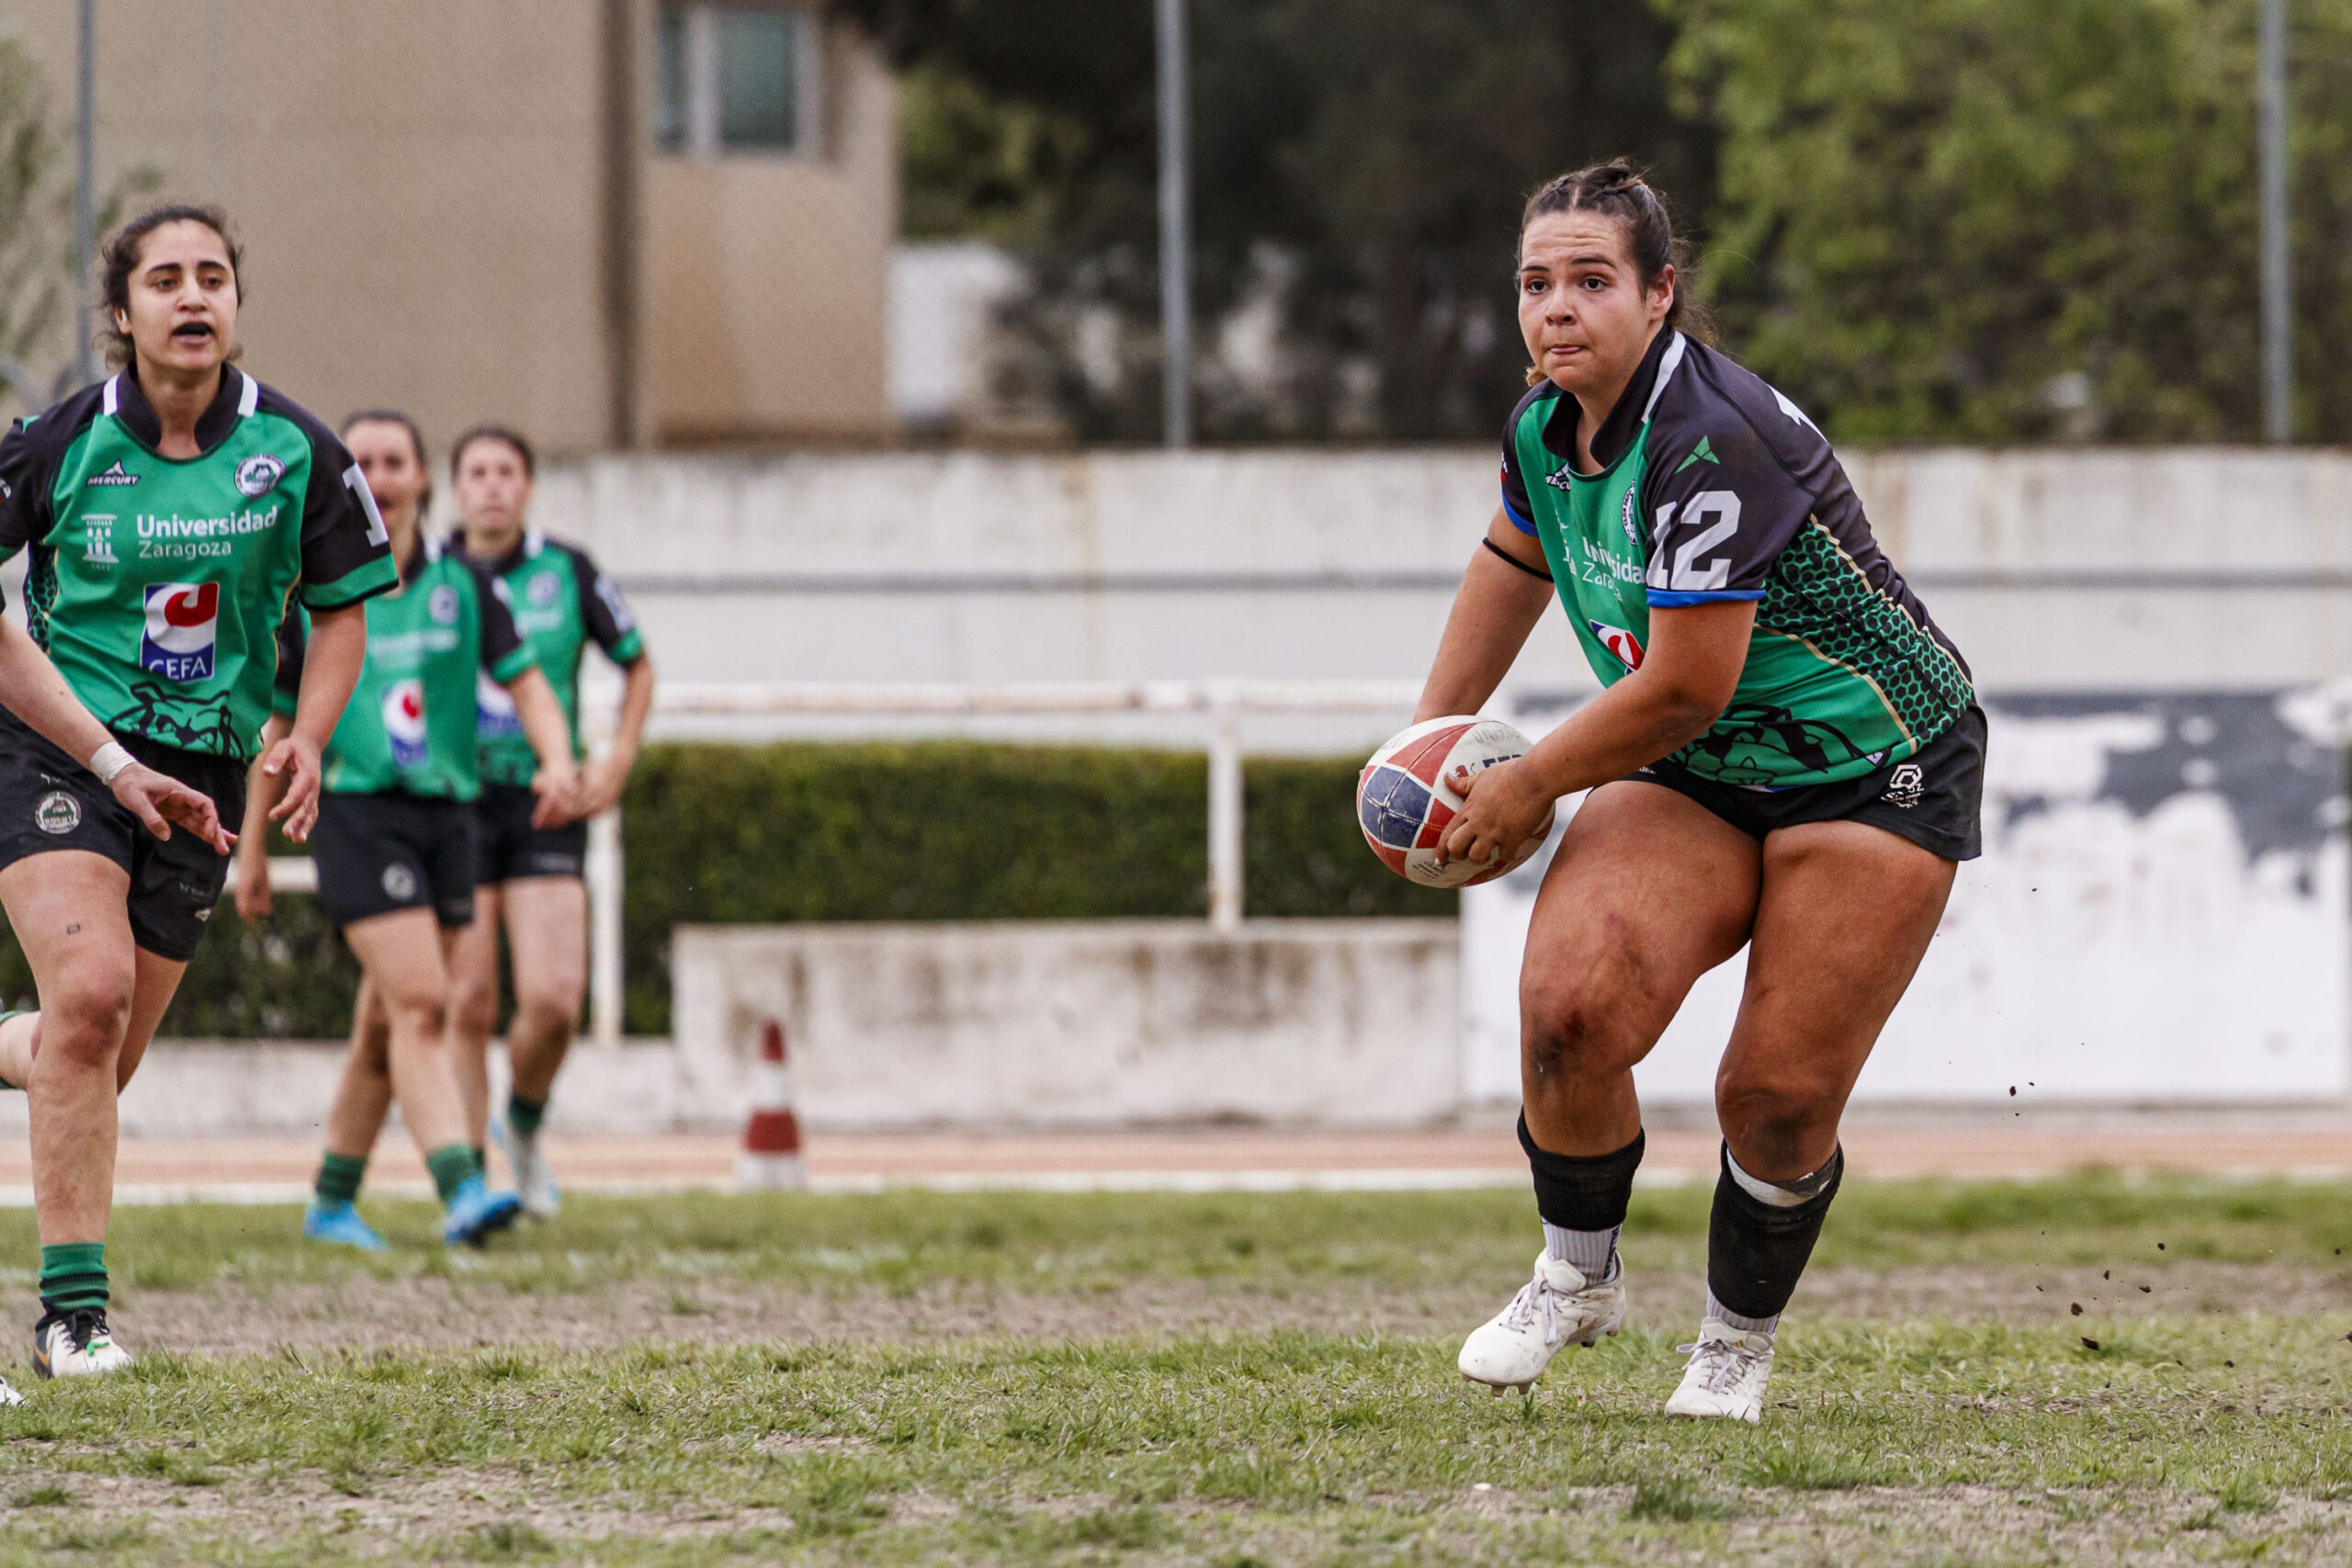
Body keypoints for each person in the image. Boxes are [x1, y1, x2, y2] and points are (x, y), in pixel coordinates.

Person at [1429, 164, 1983, 1422]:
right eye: (1535, 283)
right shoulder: (1544, 424)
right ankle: (1577, 1275)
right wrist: (1433, 741)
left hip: (1874, 761)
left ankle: (1735, 1342)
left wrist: (1527, 784)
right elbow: (1514, 559)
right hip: (1704, 762)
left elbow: (1681, 687)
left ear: (1661, 291)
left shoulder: (1708, 436)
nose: (1556, 309)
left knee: (1773, 1096)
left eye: (1591, 280)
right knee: (1567, 1011)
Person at [0, 205, 394, 1383]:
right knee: (92, 996)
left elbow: (341, 611)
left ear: (235, 304)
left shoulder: (300, 453)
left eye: (212, 276)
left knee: (94, 1059)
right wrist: (111, 761)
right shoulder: (55, 443)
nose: (192, 297)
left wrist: (310, 738)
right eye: (164, 279)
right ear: (121, 315)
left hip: (207, 779)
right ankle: (74, 1320)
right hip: (63, 751)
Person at [234, 412, 579, 1249]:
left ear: (425, 478)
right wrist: (249, 849)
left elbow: (528, 682)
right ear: (346, 480)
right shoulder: (310, 594)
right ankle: (462, 1184)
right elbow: (273, 731)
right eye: (366, 461)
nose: (382, 476)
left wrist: (559, 761)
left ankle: (332, 1199)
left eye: (397, 461)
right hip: (357, 813)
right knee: (426, 1000)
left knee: (386, 1022)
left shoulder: (466, 584)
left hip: (447, 817)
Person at [442, 426, 652, 1219]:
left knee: (557, 999)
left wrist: (616, 760)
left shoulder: (568, 569)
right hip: (455, 803)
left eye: (507, 471)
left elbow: (638, 661)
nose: (492, 485)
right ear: (455, 488)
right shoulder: (431, 574)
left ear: (527, 486)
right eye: (477, 472)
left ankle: (521, 1126)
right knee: (467, 1000)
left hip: (545, 802)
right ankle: (470, 1186)